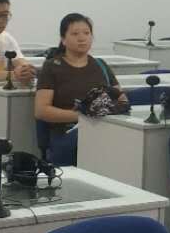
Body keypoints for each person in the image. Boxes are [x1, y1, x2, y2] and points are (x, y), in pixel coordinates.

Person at [35, 13, 127, 163]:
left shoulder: (100, 65)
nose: (82, 38)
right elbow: (41, 111)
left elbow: (122, 101)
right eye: (75, 34)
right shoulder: (52, 67)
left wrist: (106, 111)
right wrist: (83, 116)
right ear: (63, 39)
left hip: (104, 127)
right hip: (67, 132)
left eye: (86, 33)